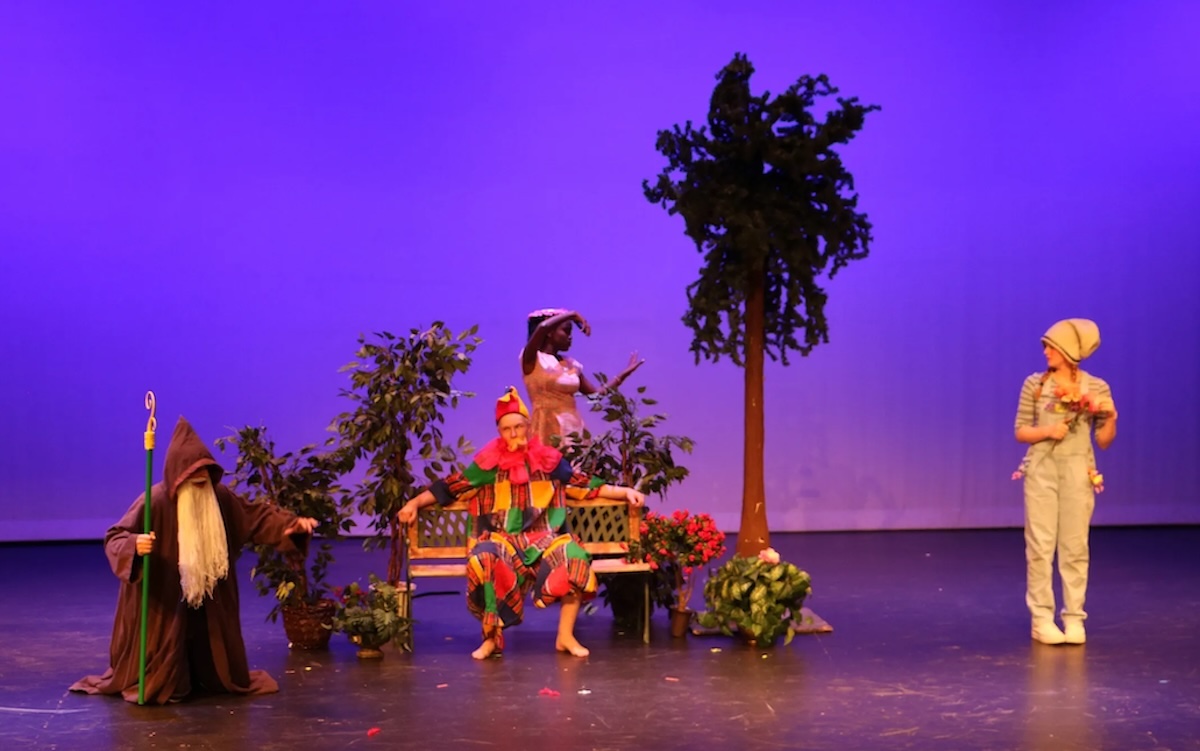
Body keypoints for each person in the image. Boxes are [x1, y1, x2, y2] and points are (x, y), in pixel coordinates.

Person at [71, 416, 317, 704]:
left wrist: (289, 525)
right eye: (194, 484)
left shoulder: (220, 497)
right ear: (178, 480)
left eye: (205, 484)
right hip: (165, 594)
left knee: (212, 656)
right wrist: (135, 544)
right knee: (169, 682)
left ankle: (209, 673)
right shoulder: (155, 501)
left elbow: (255, 516)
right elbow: (115, 537)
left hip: (209, 591)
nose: (201, 491)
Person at [396, 386, 645, 659]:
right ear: (499, 432)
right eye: (507, 429)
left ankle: (565, 636)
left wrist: (625, 491)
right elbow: (449, 487)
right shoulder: (488, 465)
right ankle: (491, 639)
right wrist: (414, 503)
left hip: (545, 540)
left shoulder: (550, 462)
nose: (514, 434)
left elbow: (587, 484)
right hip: (503, 540)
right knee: (485, 558)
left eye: (518, 427)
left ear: (528, 426)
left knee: (574, 555)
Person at [1013, 319, 1117, 645]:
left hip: (1077, 472)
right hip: (1042, 471)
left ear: (1068, 351)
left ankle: (1074, 618)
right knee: (1040, 547)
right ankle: (1042, 619)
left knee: (1074, 547)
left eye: (1051, 347)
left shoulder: (1096, 387)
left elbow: (1103, 441)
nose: (1045, 352)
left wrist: (1110, 417)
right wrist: (1046, 431)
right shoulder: (1035, 384)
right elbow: (1020, 431)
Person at [521, 308, 644, 446]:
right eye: (566, 331)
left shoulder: (570, 365)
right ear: (550, 332)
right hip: (546, 428)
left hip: (573, 429)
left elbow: (595, 395)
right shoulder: (532, 359)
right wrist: (573, 315)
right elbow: (542, 327)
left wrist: (623, 374)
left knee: (577, 466)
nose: (570, 337)